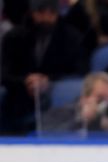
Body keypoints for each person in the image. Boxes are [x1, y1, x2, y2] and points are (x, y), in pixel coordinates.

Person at [0, 0, 89, 134]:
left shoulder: (72, 38)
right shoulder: (14, 37)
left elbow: (79, 72)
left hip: (58, 98)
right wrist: (26, 81)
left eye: (51, 13)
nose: (46, 18)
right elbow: (4, 73)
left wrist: (48, 81)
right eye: (41, 12)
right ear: (32, 13)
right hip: (18, 98)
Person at [40, 71, 108, 136]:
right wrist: (81, 121)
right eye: (100, 98)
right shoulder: (62, 112)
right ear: (84, 98)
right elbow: (46, 135)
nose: (105, 104)